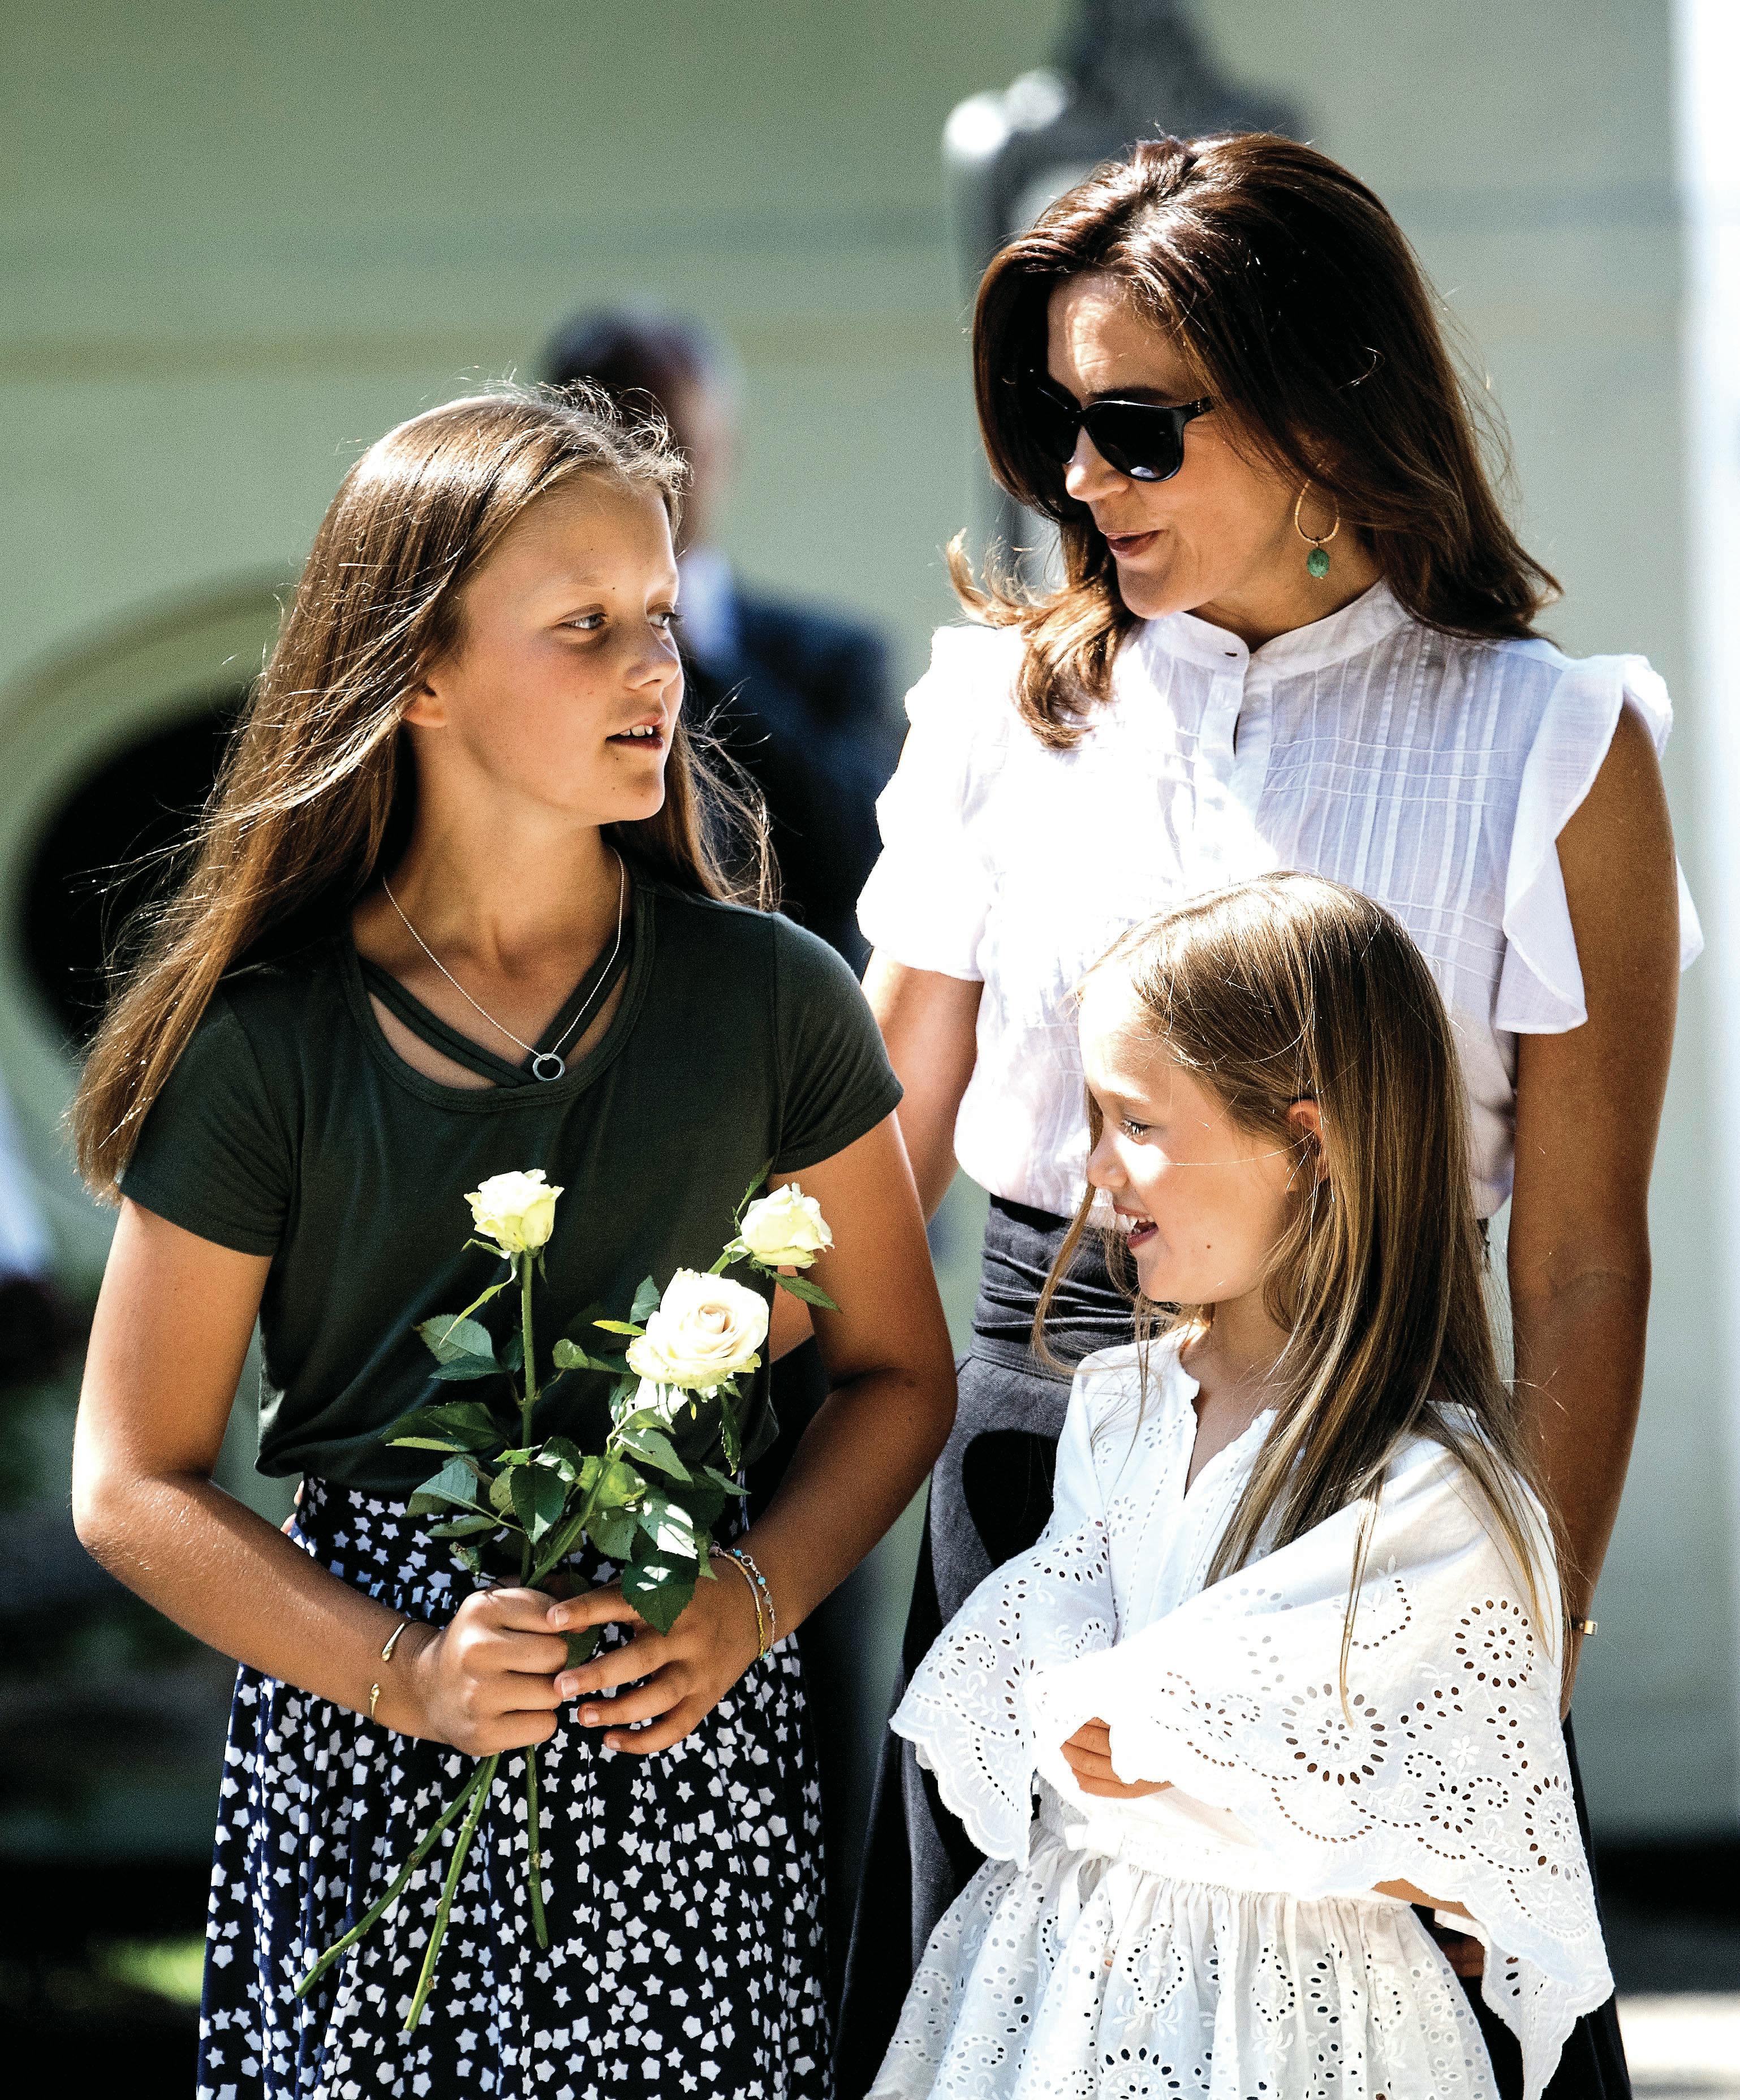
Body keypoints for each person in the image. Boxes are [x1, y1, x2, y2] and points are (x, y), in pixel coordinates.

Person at [840, 132, 1698, 2099]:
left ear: (1323, 398)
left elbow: (1578, 1254)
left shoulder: (1552, 742)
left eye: (1135, 426)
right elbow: (884, 1145)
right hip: (1029, 1477)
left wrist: (1514, 1659)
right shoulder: (996, 712)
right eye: (1057, 424)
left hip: (1379, 1508)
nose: (1077, 479)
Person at [68, 387, 957, 2100]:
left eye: (659, 617)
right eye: (583, 628)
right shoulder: (272, 1047)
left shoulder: (778, 1001)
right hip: (366, 1753)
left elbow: (894, 1372)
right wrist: (399, 1669)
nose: (654, 672)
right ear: (417, 674)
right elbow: (133, 1477)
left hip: (684, 1766)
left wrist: (746, 1598)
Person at [870, 874, 1613, 2100]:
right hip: (1061, 1984)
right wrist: (1111, 1718)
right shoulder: (1118, 1406)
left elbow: (1478, 1830)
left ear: (1305, 1140)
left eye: (1136, 1123)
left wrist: (1193, 1747)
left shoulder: (1428, 1490)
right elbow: (1035, 1653)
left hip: (1314, 2027)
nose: (1093, 1166)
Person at [541, 306, 899, 970]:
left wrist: (696, 655)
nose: (644, 479)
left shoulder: (832, 660)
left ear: (723, 449)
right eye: (609, 449)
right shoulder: (518, 659)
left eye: (671, 447)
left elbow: (868, 863)